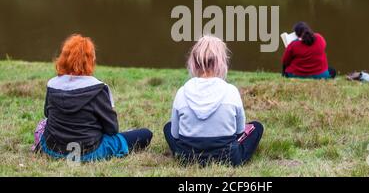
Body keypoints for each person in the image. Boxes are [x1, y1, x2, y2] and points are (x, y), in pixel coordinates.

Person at [35, 34, 152, 161]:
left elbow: (47, 114)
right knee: (145, 134)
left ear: (63, 58)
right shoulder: (99, 89)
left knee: (42, 124)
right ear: (90, 60)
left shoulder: (52, 84)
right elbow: (112, 129)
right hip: (88, 151)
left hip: (53, 148)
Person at [164, 35, 263, 166]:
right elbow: (239, 131)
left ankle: (183, 155)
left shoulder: (182, 92)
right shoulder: (231, 90)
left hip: (188, 158)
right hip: (228, 158)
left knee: (168, 127)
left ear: (193, 62)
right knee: (257, 127)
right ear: (221, 62)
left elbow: (175, 134)